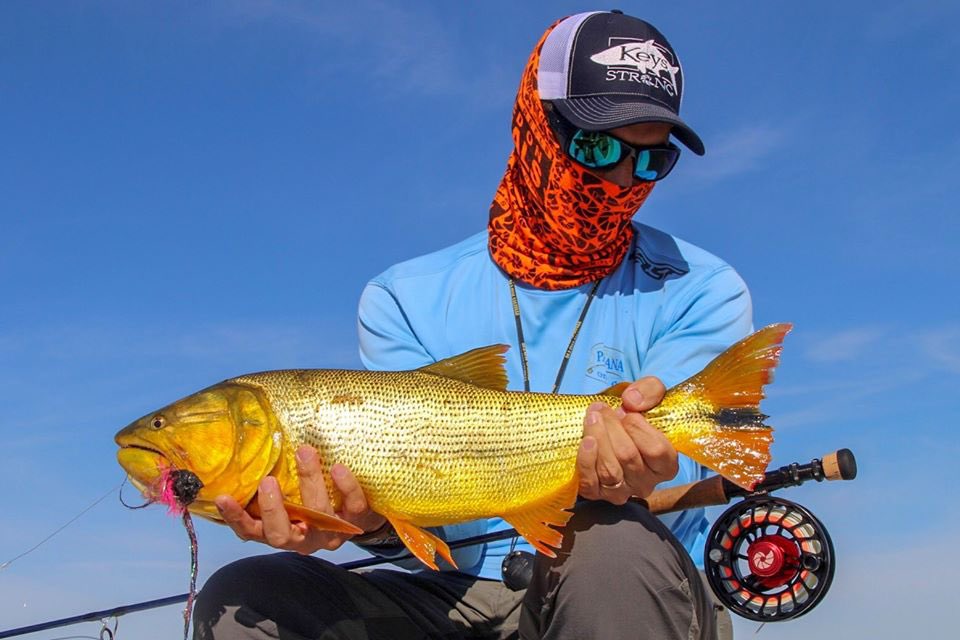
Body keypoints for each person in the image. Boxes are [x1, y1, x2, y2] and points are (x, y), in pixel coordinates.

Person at [194, 10, 751, 640]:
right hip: (449, 597)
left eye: (652, 162)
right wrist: (367, 523)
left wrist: (652, 461)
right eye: (597, 147)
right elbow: (415, 519)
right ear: (534, 124)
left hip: (634, 589)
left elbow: (711, 437)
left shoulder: (699, 287)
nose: (621, 180)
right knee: (245, 603)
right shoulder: (402, 298)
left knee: (609, 544)